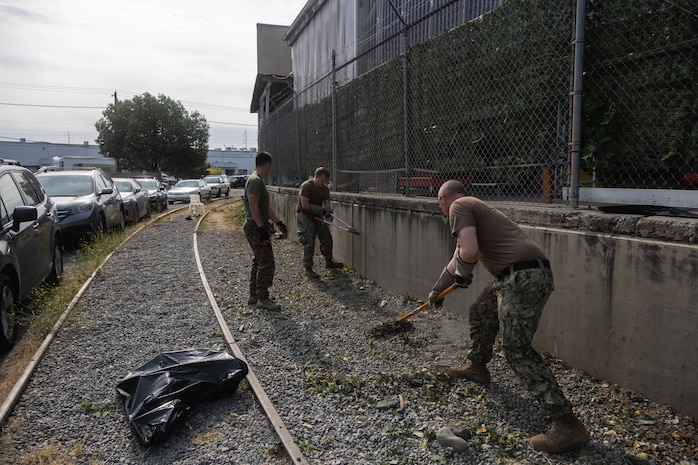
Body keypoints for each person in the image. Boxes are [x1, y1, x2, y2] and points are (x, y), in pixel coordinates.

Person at [428, 180, 589, 454]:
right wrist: (437, 290)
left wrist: (462, 276)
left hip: (523, 277)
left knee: (516, 349)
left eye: (440, 203)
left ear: (442, 197)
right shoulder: (473, 211)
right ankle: (477, 366)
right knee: (481, 311)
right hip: (514, 277)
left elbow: (469, 254)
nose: (444, 210)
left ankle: (567, 425)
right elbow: (458, 259)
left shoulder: (459, 205)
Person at [243, 151, 288, 311]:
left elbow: (264, 207)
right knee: (266, 262)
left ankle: (254, 294)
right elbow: (253, 205)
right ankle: (263, 297)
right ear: (267, 164)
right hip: (255, 227)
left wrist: (278, 222)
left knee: (259, 260)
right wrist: (262, 227)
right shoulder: (255, 181)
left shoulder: (257, 180)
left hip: (256, 225)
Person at [296, 166, 343, 278]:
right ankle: (308, 268)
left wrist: (328, 215)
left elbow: (327, 205)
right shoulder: (306, 186)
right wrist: (322, 210)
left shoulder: (325, 189)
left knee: (327, 237)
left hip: (317, 215)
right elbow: (305, 205)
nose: (323, 183)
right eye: (321, 181)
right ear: (315, 177)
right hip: (305, 214)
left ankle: (328, 261)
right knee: (309, 239)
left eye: (325, 182)